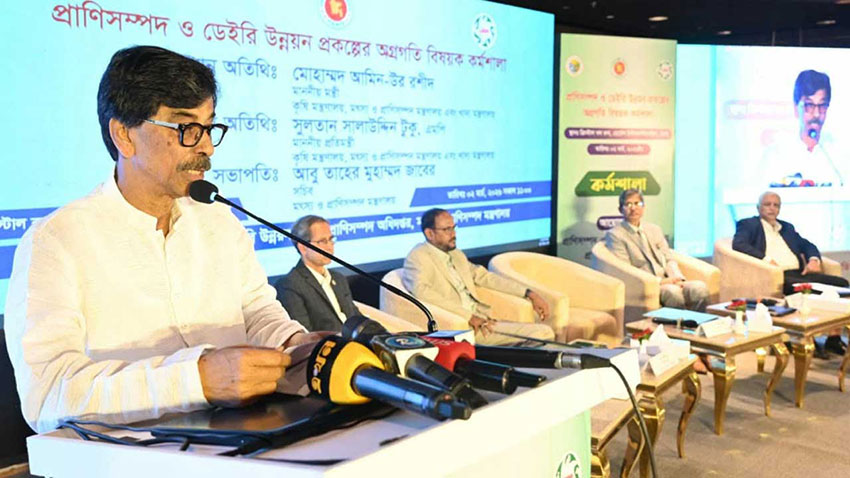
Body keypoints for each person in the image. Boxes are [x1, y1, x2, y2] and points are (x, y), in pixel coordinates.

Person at [3, 46, 326, 433]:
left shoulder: (219, 222)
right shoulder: (56, 240)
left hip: (247, 439)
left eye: (209, 127)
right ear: (124, 135)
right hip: (127, 455)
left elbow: (257, 314)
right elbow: (48, 395)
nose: (206, 147)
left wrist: (296, 345)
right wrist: (196, 380)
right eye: (186, 128)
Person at [402, 208, 555, 345]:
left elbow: (486, 277)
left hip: (484, 320)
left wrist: (528, 293)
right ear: (430, 233)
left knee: (542, 336)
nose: (453, 234)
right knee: (543, 333)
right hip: (464, 326)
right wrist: (468, 316)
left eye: (454, 228)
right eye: (447, 229)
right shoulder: (418, 257)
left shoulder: (456, 254)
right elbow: (423, 293)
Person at [733, 191, 848, 356]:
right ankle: (806, 337)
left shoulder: (787, 227)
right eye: (767, 204)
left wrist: (813, 260)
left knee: (841, 285)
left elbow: (807, 245)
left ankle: (833, 338)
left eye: (776, 205)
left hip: (800, 273)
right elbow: (739, 244)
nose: (772, 208)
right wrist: (766, 259)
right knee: (805, 290)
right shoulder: (748, 224)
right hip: (778, 275)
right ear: (758, 207)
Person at [605, 189, 709, 312]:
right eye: (628, 204)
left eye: (637, 203)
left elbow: (668, 258)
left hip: (670, 278)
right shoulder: (616, 235)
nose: (633, 208)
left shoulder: (654, 229)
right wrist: (661, 282)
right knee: (673, 293)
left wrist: (677, 278)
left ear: (644, 207)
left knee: (700, 288)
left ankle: (698, 322)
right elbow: (627, 270)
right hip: (648, 284)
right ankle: (679, 324)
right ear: (620, 209)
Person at [275, 215, 360, 332]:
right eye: (322, 241)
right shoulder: (290, 285)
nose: (329, 247)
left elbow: (356, 318)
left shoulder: (339, 279)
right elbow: (304, 333)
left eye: (331, 239)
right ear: (303, 247)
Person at [760, 69, 844, 187]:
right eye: (809, 105)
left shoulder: (839, 156)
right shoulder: (776, 155)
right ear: (796, 108)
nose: (816, 114)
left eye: (822, 105)